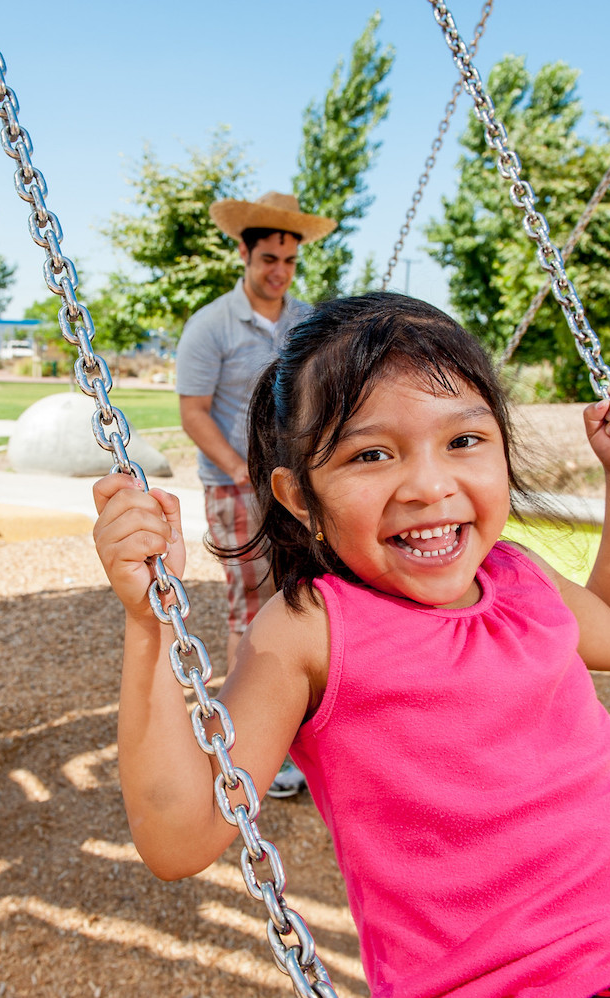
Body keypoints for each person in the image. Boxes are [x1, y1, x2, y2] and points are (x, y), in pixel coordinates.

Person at [93, 293, 610, 997]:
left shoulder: (519, 576)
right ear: (297, 495)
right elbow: (179, 838)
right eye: (371, 454)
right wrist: (150, 623)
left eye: (463, 441)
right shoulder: (313, 628)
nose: (430, 486)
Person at [177, 191, 335, 798]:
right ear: (243, 252)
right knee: (250, 605)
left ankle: (301, 726)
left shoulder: (307, 322)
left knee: (306, 597)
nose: (280, 271)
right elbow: (193, 414)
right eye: (269, 257)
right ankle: (246, 742)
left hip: (297, 484)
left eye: (290, 261)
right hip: (234, 483)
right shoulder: (211, 325)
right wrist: (242, 469)